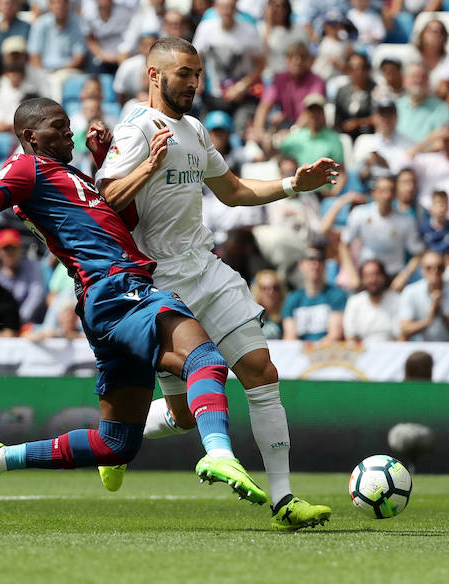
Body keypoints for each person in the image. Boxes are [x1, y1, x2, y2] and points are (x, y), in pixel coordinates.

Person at [0, 97, 273, 514]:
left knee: (115, 443)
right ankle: (219, 453)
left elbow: (127, 222)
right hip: (115, 287)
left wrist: (104, 159)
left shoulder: (67, 175)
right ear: (30, 136)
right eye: (58, 126)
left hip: (106, 299)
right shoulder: (26, 168)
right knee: (205, 358)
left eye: (69, 125)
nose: (70, 132)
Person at [93, 38, 340, 530]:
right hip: (159, 285)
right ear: (154, 75)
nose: (194, 82)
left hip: (205, 268)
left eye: (198, 73)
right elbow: (106, 199)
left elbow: (233, 192)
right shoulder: (137, 130)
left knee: (260, 371)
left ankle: (284, 501)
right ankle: (117, 440)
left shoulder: (197, 131)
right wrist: (145, 168)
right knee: (184, 416)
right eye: (184, 72)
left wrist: (294, 184)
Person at [339, 175, 423, 291]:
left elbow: (418, 254)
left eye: (391, 191)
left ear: (395, 194)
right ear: (374, 193)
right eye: (382, 191)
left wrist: (404, 276)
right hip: (367, 276)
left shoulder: (406, 221)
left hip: (393, 278)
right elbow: (343, 245)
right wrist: (352, 275)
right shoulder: (359, 214)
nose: (387, 195)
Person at [398, 250, 449, 342]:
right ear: (422, 271)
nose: (434, 271)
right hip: (423, 351)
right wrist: (429, 319)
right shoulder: (410, 292)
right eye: (429, 268)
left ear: (444, 269)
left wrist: (442, 313)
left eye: (439, 267)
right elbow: (405, 329)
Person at [281, 245, 347, 342]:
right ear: (301, 265)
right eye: (310, 259)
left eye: (319, 260)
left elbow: (335, 335)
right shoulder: (292, 299)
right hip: (299, 354)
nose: (315, 264)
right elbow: (290, 337)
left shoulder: (336, 295)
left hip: (328, 352)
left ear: (324, 265)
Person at [0, 228, 47, 325]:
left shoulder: (33, 266)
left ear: (21, 249)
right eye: (5, 249)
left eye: (13, 248)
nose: (9, 253)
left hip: (30, 324)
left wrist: (17, 320)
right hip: (3, 325)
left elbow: (37, 294)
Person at [343, 259, 402, 342]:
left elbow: (401, 336)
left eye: (376, 274)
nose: (373, 280)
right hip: (362, 351)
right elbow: (350, 337)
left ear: (384, 277)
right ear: (362, 279)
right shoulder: (354, 302)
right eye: (367, 276)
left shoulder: (397, 300)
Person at [419, 190, 449, 255]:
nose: (441, 208)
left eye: (444, 204)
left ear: (448, 207)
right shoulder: (423, 227)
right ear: (431, 208)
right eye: (437, 204)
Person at [249, 269, 286, 340]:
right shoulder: (249, 318)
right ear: (257, 291)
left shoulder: (287, 315)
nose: (271, 292)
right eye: (265, 288)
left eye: (275, 288)